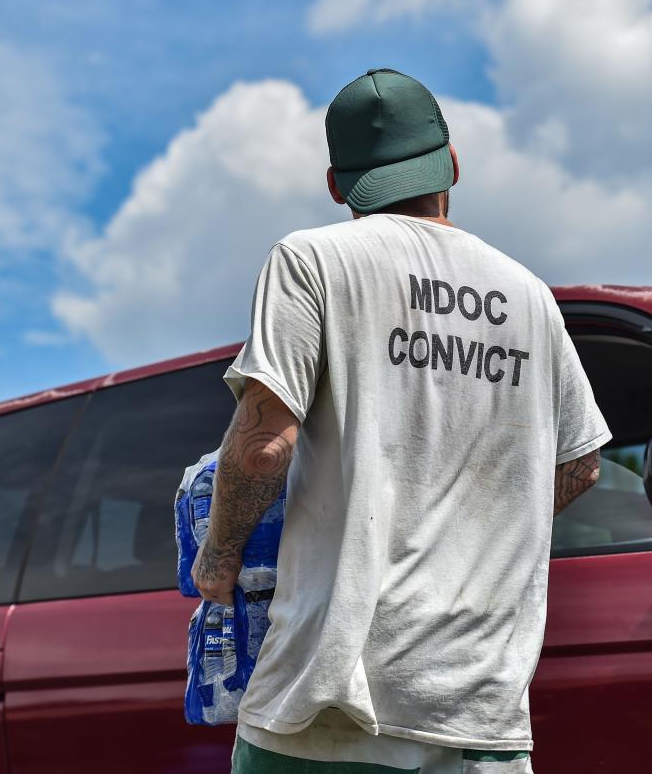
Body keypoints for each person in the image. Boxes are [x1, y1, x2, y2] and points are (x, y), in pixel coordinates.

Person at [191, 68, 611, 774]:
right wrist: (475, 532)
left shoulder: (313, 259)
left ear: (337, 185)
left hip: (326, 710)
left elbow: (265, 445)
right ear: (452, 162)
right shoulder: (530, 296)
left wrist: (218, 557)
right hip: (480, 712)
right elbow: (580, 463)